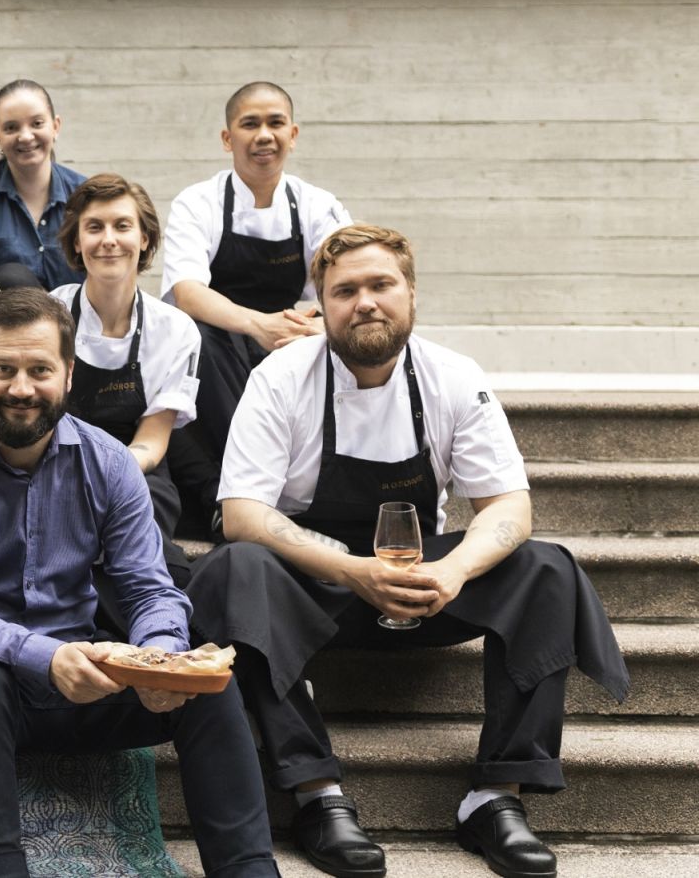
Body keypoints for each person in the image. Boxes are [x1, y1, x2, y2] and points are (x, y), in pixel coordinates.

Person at [186, 225, 628, 878]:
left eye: (380, 285)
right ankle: (317, 794)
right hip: (322, 587)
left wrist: (452, 570)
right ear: (323, 304)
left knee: (545, 566)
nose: (364, 301)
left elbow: (508, 507)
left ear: (412, 296)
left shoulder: (454, 377)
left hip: (426, 584)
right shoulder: (281, 376)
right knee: (236, 567)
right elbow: (244, 514)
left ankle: (496, 797)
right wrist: (351, 568)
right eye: (345, 291)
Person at [0, 288, 278, 878]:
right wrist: (47, 657)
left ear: (68, 375)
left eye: (40, 370)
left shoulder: (109, 462)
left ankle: (249, 872)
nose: (22, 388)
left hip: (85, 677)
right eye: (3, 369)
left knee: (209, 683)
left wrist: (161, 661)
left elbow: (149, 587)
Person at [159, 81, 351, 532]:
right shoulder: (198, 202)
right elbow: (186, 290)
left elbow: (345, 282)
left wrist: (299, 327)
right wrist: (256, 325)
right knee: (192, 337)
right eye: (250, 124)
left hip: (295, 338)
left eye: (275, 123)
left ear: (293, 133)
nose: (264, 135)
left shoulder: (318, 205)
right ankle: (237, 495)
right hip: (221, 346)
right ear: (228, 139)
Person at [47, 173, 201, 579]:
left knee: (143, 556)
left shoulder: (176, 329)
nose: (108, 239)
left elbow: (152, 441)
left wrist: (103, 478)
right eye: (94, 227)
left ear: (145, 238)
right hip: (52, 463)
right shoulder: (47, 315)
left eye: (122, 226)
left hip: (141, 471)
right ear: (77, 242)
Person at [0, 78, 87, 290]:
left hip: (73, 320)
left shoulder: (83, 194)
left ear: (56, 126)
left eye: (37, 123)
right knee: (12, 277)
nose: (26, 136)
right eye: (11, 128)